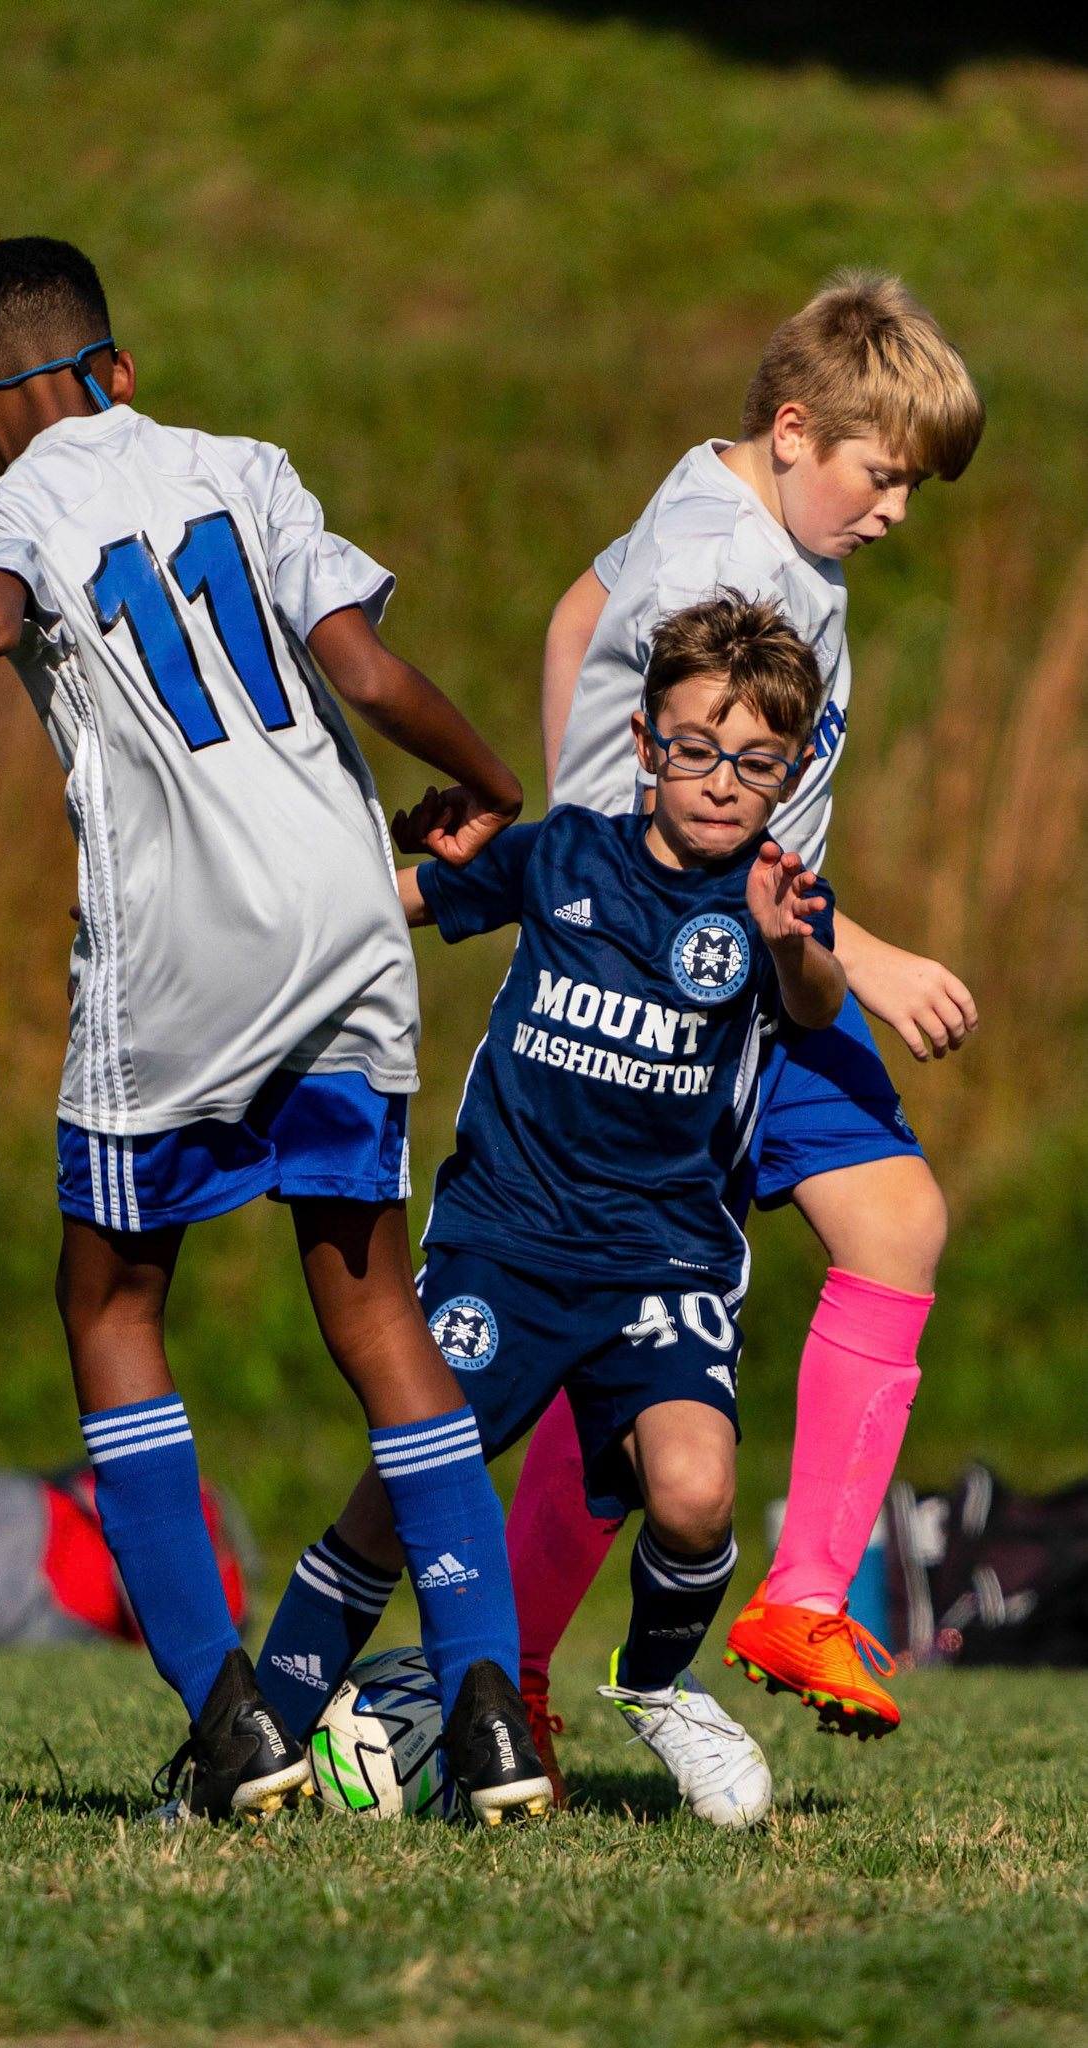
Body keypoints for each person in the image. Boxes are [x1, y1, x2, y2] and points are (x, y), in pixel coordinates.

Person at [0, 236, 553, 1828]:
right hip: (341, 918)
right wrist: (496, 790)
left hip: (178, 945)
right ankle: (490, 1711)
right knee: (374, 1303)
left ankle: (229, 1719)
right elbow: (366, 666)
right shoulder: (245, 466)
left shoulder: (0, 507)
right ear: (119, 368)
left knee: (109, 1303)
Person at [256, 594, 845, 1826]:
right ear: (645, 744)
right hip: (507, 1242)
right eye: (696, 748)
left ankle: (654, 1680)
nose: (722, 782)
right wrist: (285, 906)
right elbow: (400, 902)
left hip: (664, 1258)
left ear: (790, 773)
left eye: (756, 762)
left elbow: (815, 1001)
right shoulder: (565, 854)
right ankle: (259, 1726)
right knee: (402, 1493)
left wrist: (793, 944)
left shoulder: (775, 899)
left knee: (694, 1492)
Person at [507, 271, 984, 1769]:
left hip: (753, 953)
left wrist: (577, 834)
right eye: (883, 475)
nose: (896, 511)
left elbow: (570, 610)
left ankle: (799, 1596)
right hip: (687, 980)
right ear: (795, 429)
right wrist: (879, 957)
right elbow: (719, 822)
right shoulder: (740, 577)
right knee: (620, 1337)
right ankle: (506, 1666)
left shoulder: (731, 503)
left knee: (893, 1225)